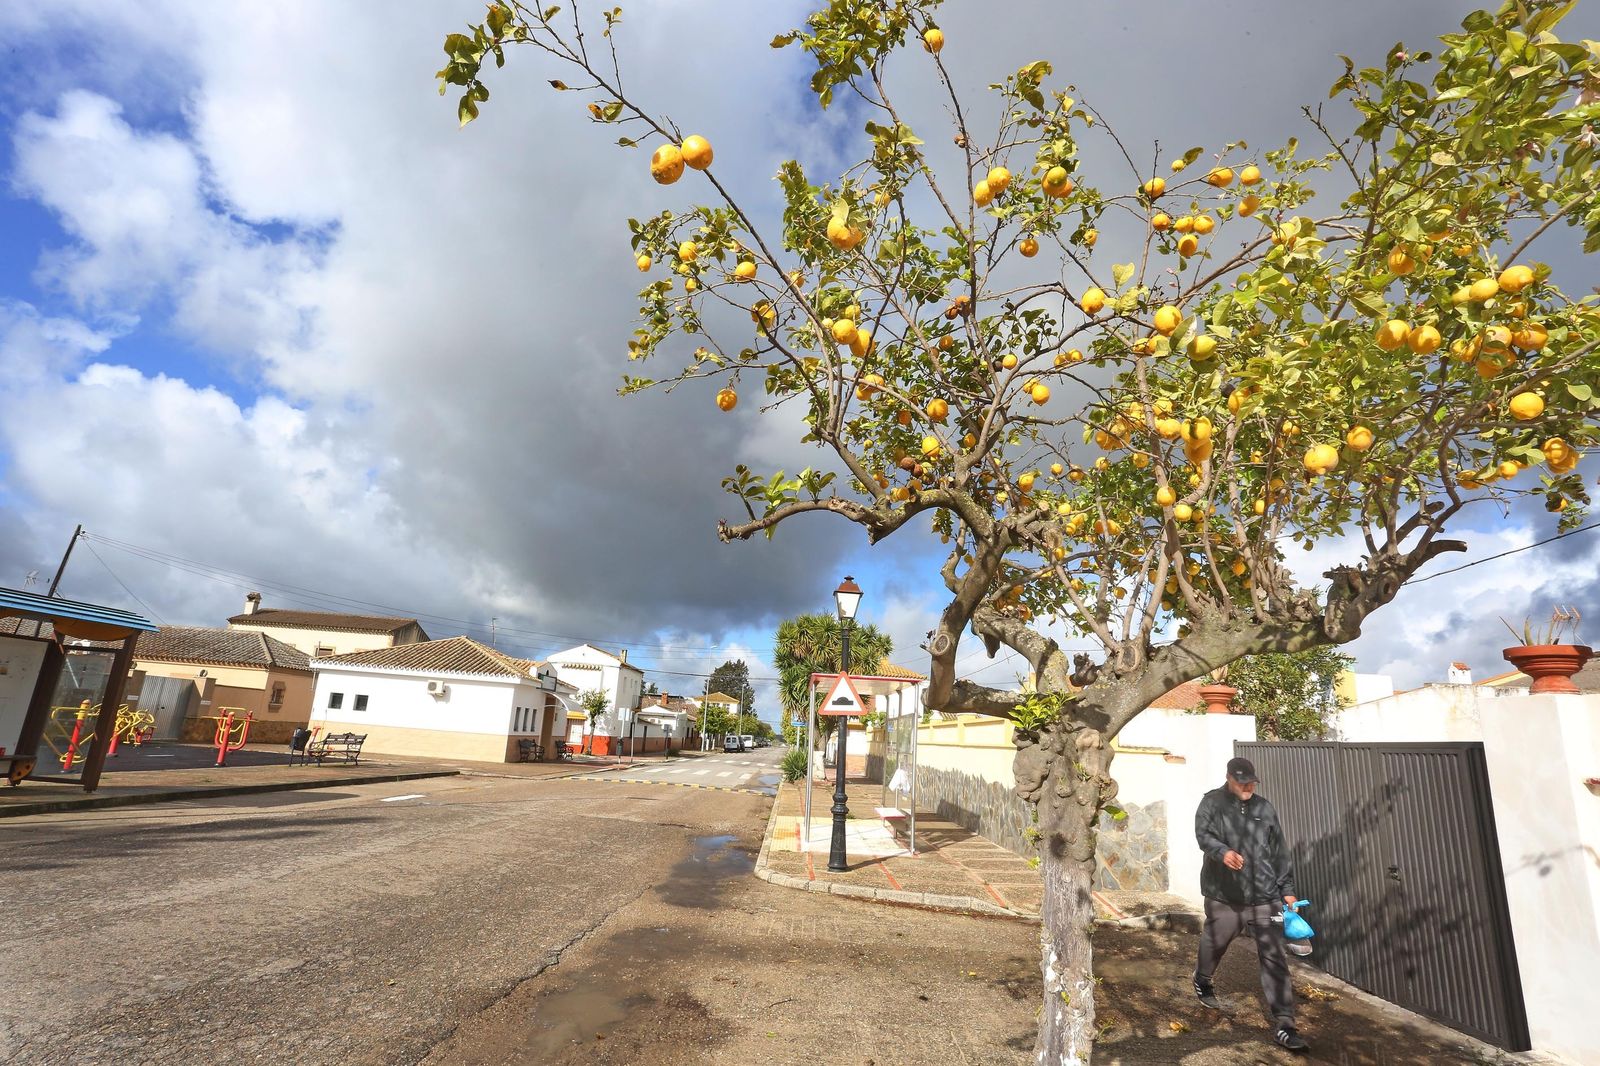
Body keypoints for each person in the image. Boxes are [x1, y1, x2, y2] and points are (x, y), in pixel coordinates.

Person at [1193, 756, 1309, 1054]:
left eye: (1251, 782)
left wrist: (1288, 890)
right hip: (1225, 896)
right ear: (1229, 777)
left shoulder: (1264, 807)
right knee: (1215, 944)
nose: (1247, 786)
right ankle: (1202, 977)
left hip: (1265, 897)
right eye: (1242, 781)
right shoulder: (1212, 803)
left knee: (1274, 958)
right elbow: (1203, 835)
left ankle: (1285, 1025)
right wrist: (1222, 852)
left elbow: (1279, 851)